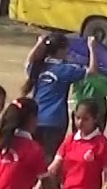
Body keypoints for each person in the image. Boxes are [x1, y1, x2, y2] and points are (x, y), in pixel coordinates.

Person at [22, 33, 98, 162]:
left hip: (34, 119)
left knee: (33, 158)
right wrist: (92, 48)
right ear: (60, 51)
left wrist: (39, 43)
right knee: (49, 159)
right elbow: (92, 71)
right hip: (55, 120)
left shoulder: (39, 67)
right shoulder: (65, 70)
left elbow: (28, 62)